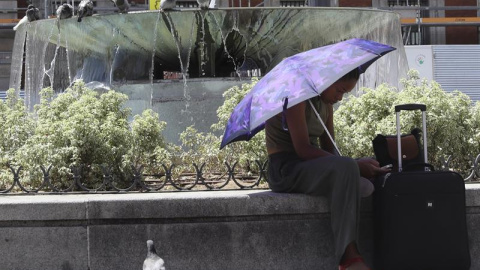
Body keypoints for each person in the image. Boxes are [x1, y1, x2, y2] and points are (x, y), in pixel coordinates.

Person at [265, 68, 390, 270]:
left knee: (367, 182)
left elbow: (329, 150)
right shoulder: (295, 95)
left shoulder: (325, 104)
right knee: (352, 170)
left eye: (344, 94)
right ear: (327, 80)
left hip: (312, 166)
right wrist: (354, 166)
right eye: (339, 90)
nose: (339, 98)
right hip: (286, 168)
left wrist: (358, 165)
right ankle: (349, 258)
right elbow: (303, 149)